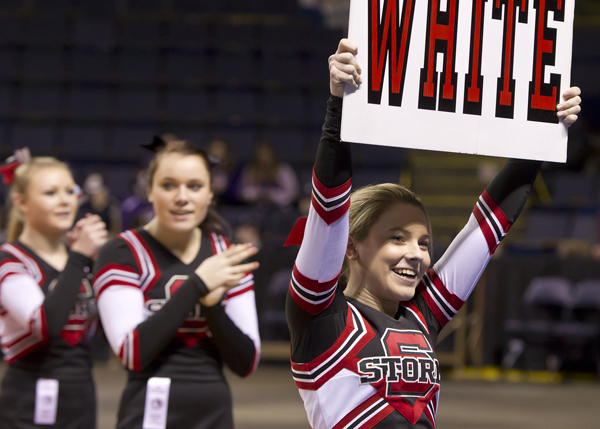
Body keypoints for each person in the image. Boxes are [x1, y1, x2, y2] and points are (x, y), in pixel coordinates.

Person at [285, 39, 581, 428]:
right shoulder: (320, 317)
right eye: (397, 238)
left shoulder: (423, 315)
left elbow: (486, 228)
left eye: (424, 243)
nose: (417, 254)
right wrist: (339, 105)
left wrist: (543, 131)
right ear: (351, 247)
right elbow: (328, 209)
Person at [92, 141, 261, 428]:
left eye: (194, 186)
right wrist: (198, 285)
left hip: (215, 416)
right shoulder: (122, 252)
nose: (182, 198)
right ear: (149, 190)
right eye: (169, 185)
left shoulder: (226, 255)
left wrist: (212, 307)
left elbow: (246, 364)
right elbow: (132, 354)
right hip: (147, 414)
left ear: (210, 193)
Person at [0, 152, 108, 428]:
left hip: (82, 397)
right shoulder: (9, 261)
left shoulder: (79, 260)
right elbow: (45, 324)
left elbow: (107, 330)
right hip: (28, 401)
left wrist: (100, 263)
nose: (64, 200)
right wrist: (79, 258)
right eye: (50, 193)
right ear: (21, 202)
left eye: (70, 191)